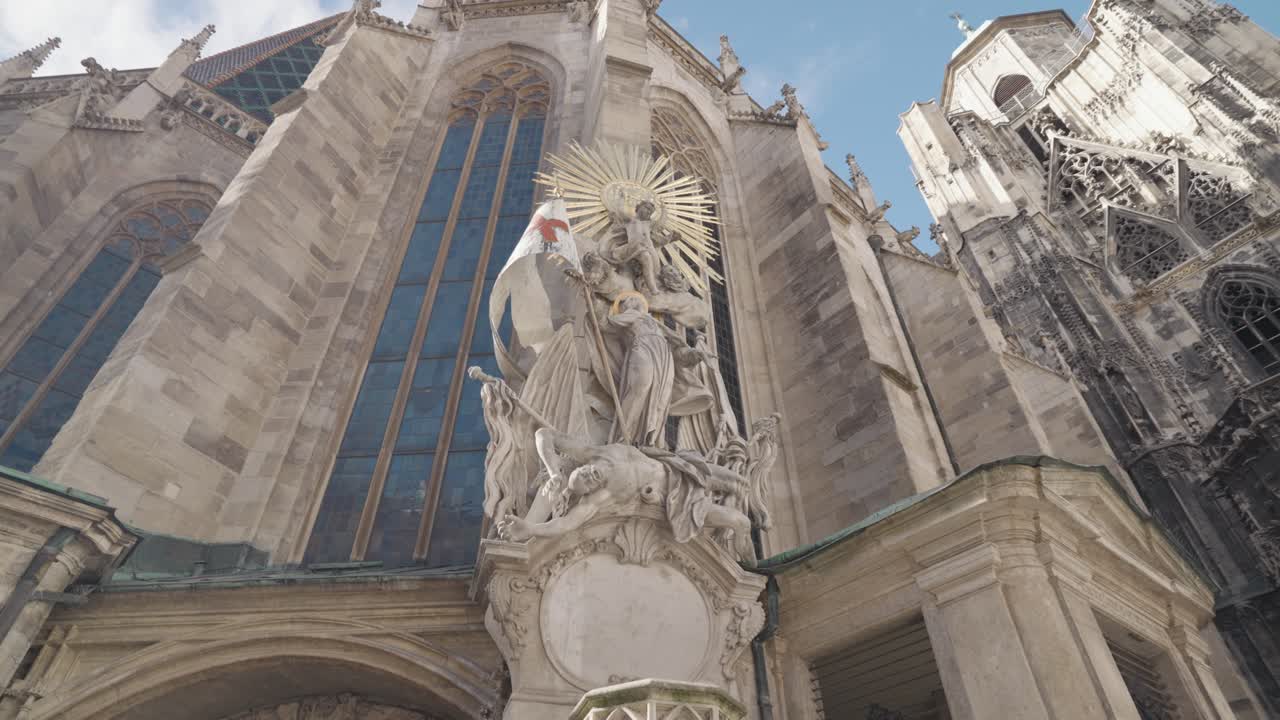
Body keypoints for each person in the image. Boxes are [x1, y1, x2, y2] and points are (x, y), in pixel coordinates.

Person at [498, 427, 755, 559]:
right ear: (592, 491)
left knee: (742, 482)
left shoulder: (596, 453)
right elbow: (567, 523)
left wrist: (554, 471)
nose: (589, 477)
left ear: (583, 465)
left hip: (681, 467)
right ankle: (748, 564)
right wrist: (530, 529)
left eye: (583, 473)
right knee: (740, 522)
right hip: (681, 501)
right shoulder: (604, 496)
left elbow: (544, 434)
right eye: (587, 483)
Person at [609, 292, 674, 446]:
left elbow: (675, 340)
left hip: (663, 354)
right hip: (643, 348)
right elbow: (610, 322)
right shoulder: (631, 315)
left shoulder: (654, 322)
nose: (636, 301)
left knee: (661, 398)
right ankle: (623, 435)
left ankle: (649, 440)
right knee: (640, 387)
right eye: (631, 300)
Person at [607, 200, 665, 294]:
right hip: (633, 247)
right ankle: (653, 289)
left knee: (656, 267)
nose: (648, 212)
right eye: (647, 208)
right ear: (639, 207)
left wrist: (664, 210)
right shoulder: (630, 220)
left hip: (647, 248)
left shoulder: (648, 224)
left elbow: (660, 223)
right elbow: (618, 210)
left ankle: (643, 284)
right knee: (646, 257)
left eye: (650, 212)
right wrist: (622, 197)